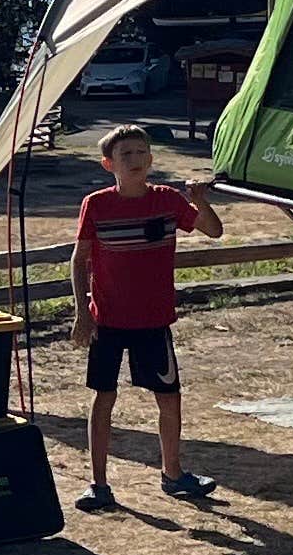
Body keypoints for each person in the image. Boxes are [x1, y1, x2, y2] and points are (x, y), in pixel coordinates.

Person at [74, 126, 222, 510]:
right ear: (109, 164)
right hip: (106, 319)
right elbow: (79, 260)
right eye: (127, 155)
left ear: (151, 159)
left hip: (154, 320)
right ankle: (99, 485)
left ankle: (173, 474)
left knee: (169, 398)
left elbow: (213, 230)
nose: (136, 160)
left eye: (142, 153)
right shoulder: (97, 204)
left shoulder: (168, 200)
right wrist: (81, 313)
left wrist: (200, 201)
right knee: (103, 398)